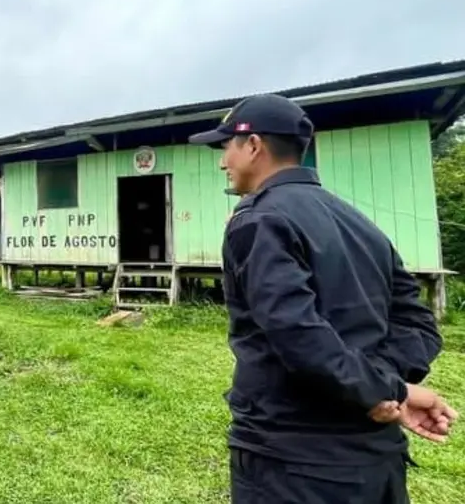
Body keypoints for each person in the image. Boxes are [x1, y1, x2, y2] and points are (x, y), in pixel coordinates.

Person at [188, 94, 457, 503]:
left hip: (294, 466)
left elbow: (298, 336)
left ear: (254, 145)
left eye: (227, 146)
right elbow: (418, 323)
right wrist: (382, 387)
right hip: (377, 463)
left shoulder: (258, 220)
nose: (223, 161)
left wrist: (388, 391)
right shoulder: (360, 223)